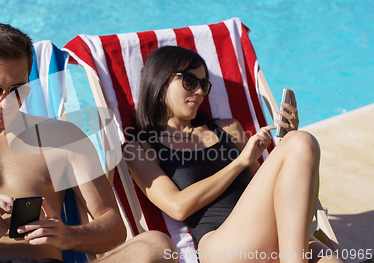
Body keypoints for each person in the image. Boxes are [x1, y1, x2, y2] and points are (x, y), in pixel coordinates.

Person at [0, 22, 177, 263]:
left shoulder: (63, 139)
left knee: (155, 246)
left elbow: (113, 227)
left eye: (17, 90)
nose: (5, 102)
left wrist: (68, 235)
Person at [124, 46, 344, 263]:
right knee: (301, 142)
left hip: (273, 234)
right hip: (223, 247)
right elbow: (177, 206)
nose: (199, 92)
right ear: (160, 81)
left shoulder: (228, 128)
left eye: (203, 84)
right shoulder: (139, 148)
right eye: (189, 81)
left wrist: (290, 146)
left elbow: (267, 190)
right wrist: (239, 163)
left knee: (330, 261)